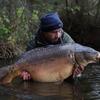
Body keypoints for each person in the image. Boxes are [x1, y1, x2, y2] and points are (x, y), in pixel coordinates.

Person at [20, 12, 82, 81]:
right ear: (44, 32)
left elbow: (77, 61)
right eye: (54, 32)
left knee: (77, 77)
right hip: (42, 74)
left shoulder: (67, 41)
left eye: (59, 31)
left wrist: (76, 72)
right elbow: (24, 64)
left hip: (62, 71)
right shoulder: (33, 44)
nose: (58, 35)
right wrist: (24, 73)